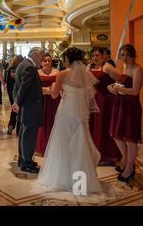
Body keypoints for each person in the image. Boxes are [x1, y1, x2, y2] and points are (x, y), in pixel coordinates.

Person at [37, 47, 102, 193]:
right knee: (81, 144)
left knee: (63, 143)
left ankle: (62, 178)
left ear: (68, 59)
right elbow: (89, 95)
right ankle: (81, 183)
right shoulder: (85, 74)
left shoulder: (63, 73)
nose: (63, 61)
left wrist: (49, 89)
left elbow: (54, 95)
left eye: (64, 59)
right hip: (80, 112)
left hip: (66, 111)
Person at [108, 44, 143, 183]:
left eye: (125, 55)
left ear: (132, 55)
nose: (123, 58)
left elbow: (135, 91)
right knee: (117, 135)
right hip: (121, 104)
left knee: (130, 137)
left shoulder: (138, 70)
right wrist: (112, 87)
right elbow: (121, 84)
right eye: (121, 55)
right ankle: (128, 162)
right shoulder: (124, 68)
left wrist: (120, 89)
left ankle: (129, 168)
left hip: (131, 106)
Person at [12, 47, 44, 174]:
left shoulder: (22, 64)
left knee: (24, 134)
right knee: (29, 135)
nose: (42, 57)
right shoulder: (29, 67)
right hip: (30, 107)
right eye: (41, 55)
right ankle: (26, 163)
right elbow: (24, 88)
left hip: (26, 106)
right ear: (34, 54)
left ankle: (23, 159)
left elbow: (16, 87)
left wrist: (17, 101)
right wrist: (17, 102)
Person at [88, 46, 122, 165]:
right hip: (94, 100)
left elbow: (123, 79)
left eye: (97, 55)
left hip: (106, 101)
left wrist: (113, 87)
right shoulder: (90, 67)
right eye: (93, 56)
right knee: (95, 126)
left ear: (103, 56)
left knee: (103, 126)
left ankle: (107, 155)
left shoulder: (107, 67)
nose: (94, 58)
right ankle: (96, 153)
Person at [35, 53, 60, 156]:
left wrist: (52, 91)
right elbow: (34, 88)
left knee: (54, 121)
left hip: (55, 100)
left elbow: (60, 86)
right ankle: (42, 146)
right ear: (41, 62)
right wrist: (45, 91)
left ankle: (55, 147)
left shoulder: (57, 72)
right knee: (43, 122)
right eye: (45, 61)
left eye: (49, 61)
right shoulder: (37, 72)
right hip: (42, 101)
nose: (47, 63)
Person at [6, 55, 24, 135]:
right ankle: (18, 130)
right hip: (18, 92)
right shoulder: (21, 69)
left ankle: (11, 125)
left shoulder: (9, 69)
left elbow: (7, 81)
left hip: (10, 92)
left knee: (14, 108)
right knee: (19, 110)